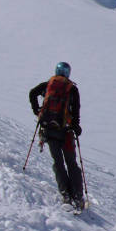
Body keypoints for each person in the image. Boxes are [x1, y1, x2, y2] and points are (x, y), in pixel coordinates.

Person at [29, 62, 84, 209]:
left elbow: (32, 93)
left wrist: (37, 111)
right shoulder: (72, 89)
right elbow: (76, 110)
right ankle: (78, 195)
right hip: (66, 132)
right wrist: (75, 126)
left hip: (49, 129)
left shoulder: (48, 85)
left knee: (58, 162)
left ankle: (65, 193)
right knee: (71, 163)